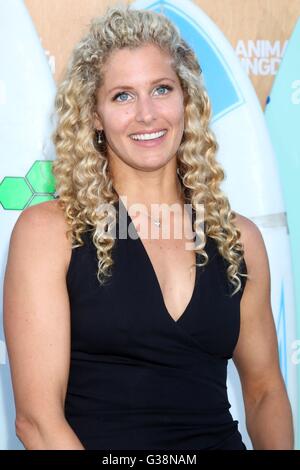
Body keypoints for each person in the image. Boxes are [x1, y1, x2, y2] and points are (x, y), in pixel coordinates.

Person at [3, 6, 294, 450]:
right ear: (94, 116)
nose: (146, 114)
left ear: (187, 100)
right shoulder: (49, 233)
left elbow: (265, 392)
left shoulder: (239, 240)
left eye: (162, 89)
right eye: (122, 95)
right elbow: (37, 422)